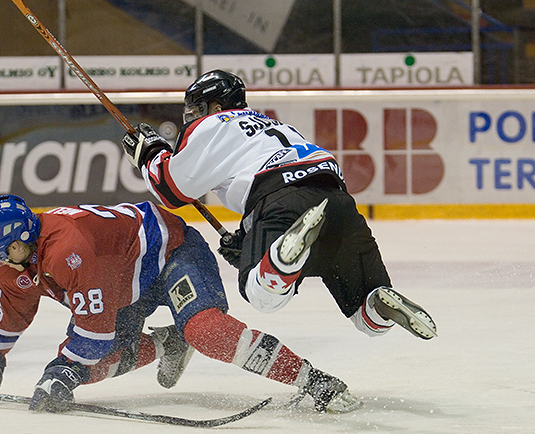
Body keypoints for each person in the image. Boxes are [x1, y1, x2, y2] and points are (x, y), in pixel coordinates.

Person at [0, 194, 362, 413]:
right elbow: (11, 313)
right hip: (124, 279)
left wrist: (64, 367)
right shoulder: (15, 262)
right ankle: (168, 343)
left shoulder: (64, 251)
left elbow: (94, 328)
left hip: (172, 255)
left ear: (22, 241)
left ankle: (314, 381)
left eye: (3, 251)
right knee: (89, 372)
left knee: (207, 331)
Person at [121, 69, 437, 341]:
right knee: (366, 320)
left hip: (280, 199)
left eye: (196, 109)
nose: (192, 117)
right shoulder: (278, 125)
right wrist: (247, 240)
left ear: (216, 106)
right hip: (337, 200)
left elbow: (172, 190)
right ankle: (377, 301)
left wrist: (148, 154)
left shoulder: (213, 124)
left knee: (259, 292)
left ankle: (281, 262)